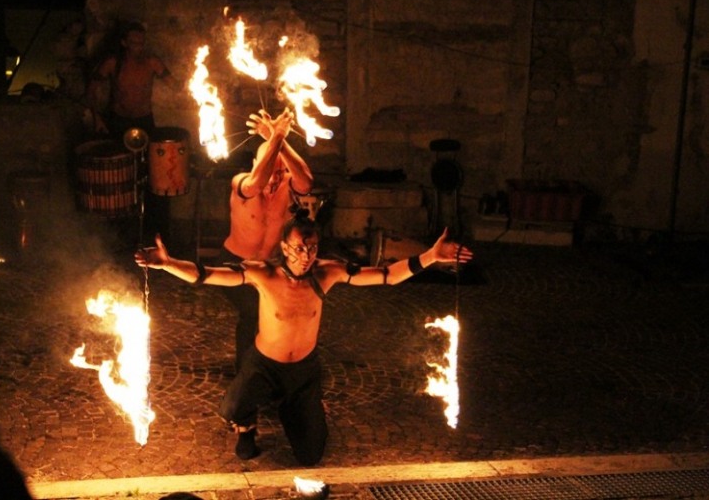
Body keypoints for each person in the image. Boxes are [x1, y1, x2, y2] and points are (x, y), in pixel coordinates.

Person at [135, 213, 473, 466]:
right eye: (298, 248)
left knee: (311, 456)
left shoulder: (328, 272)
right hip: (263, 366)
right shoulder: (263, 273)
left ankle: (292, 409)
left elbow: (386, 276)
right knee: (233, 407)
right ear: (284, 247)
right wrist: (167, 265)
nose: (305, 255)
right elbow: (206, 276)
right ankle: (246, 425)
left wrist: (430, 256)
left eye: (311, 247)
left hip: (303, 372)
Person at [219, 107, 314, 369]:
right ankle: (246, 376)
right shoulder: (242, 182)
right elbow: (256, 184)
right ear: (257, 165)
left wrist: (279, 139)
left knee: (278, 314)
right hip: (234, 262)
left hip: (269, 265)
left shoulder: (287, 186)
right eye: (270, 169)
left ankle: (276, 366)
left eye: (281, 172)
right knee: (252, 313)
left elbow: (306, 182)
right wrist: (274, 139)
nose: (275, 178)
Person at [86, 21, 177, 139]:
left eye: (141, 43)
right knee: (119, 155)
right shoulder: (112, 63)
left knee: (148, 155)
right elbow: (91, 89)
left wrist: (196, 82)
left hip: (144, 120)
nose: (139, 47)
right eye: (134, 43)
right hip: (119, 121)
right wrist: (97, 118)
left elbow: (175, 85)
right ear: (124, 43)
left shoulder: (152, 62)